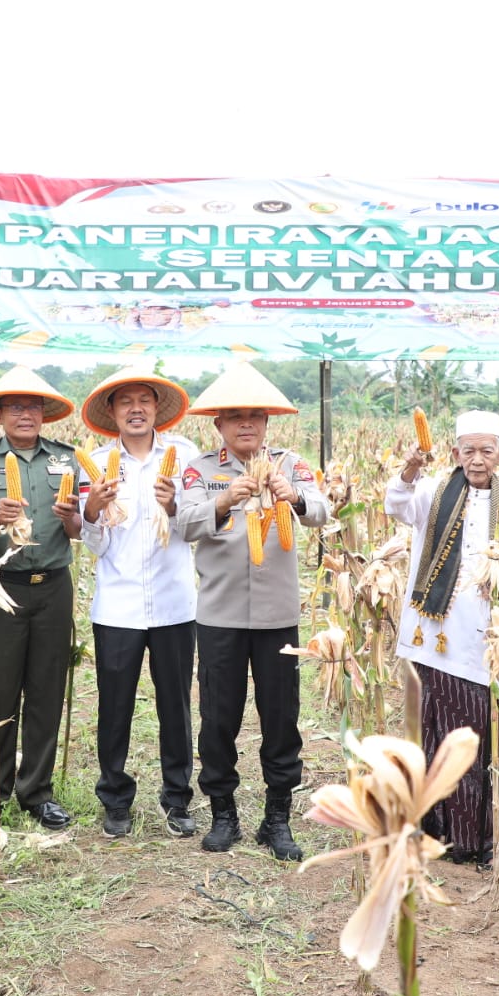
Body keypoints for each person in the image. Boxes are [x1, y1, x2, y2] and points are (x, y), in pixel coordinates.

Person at [176, 361, 330, 860]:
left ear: (267, 425)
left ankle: (277, 817)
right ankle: (223, 812)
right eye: (236, 417)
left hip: (277, 616)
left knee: (281, 718)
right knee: (218, 717)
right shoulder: (200, 470)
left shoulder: (292, 465)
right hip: (219, 615)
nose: (247, 425)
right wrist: (226, 503)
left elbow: (324, 511)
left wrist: (298, 499)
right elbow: (186, 523)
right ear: (218, 425)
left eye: (256, 417)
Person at [387, 410, 499, 866]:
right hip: (434, 636)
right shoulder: (432, 492)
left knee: (478, 740)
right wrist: (409, 469)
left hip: (486, 644)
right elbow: (396, 503)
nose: (477, 459)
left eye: (487, 451)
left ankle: (475, 837)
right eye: (468, 450)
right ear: (454, 454)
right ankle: (435, 832)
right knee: (433, 736)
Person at [77, 367, 201, 838]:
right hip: (118, 606)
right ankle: (115, 798)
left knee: (176, 706)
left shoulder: (185, 456)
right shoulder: (94, 461)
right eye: (124, 401)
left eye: (143, 400)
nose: (134, 408)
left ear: (156, 408)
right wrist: (92, 511)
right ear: (112, 412)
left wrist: (174, 506)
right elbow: (96, 544)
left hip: (174, 603)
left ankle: (177, 798)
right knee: (114, 708)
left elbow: (195, 531)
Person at [0, 366, 83, 830]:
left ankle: (38, 791)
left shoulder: (67, 459)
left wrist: (72, 516)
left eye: (33, 406)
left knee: (47, 691)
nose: (25, 414)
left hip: (53, 584)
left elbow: (76, 531)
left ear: (45, 414)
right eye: (15, 406)